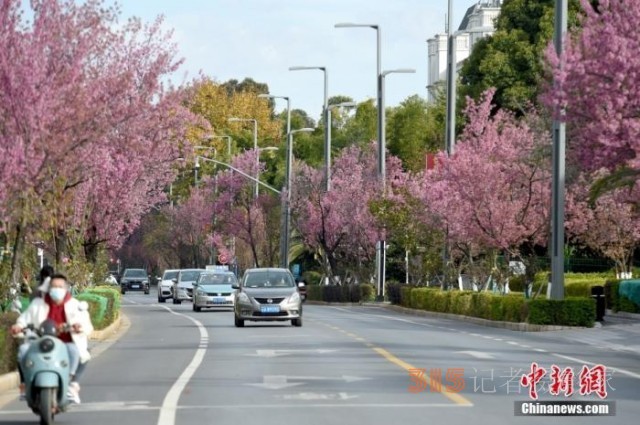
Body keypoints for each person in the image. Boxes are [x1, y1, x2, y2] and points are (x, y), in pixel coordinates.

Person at [10, 273, 93, 404]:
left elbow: (86, 325)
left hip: (65, 343)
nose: (57, 289)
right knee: (23, 351)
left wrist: (78, 327)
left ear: (66, 288)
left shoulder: (74, 305)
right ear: (49, 288)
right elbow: (24, 319)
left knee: (76, 351)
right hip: (39, 342)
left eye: (60, 287)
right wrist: (19, 326)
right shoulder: (38, 304)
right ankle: (25, 384)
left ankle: (71, 384)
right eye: (54, 286)